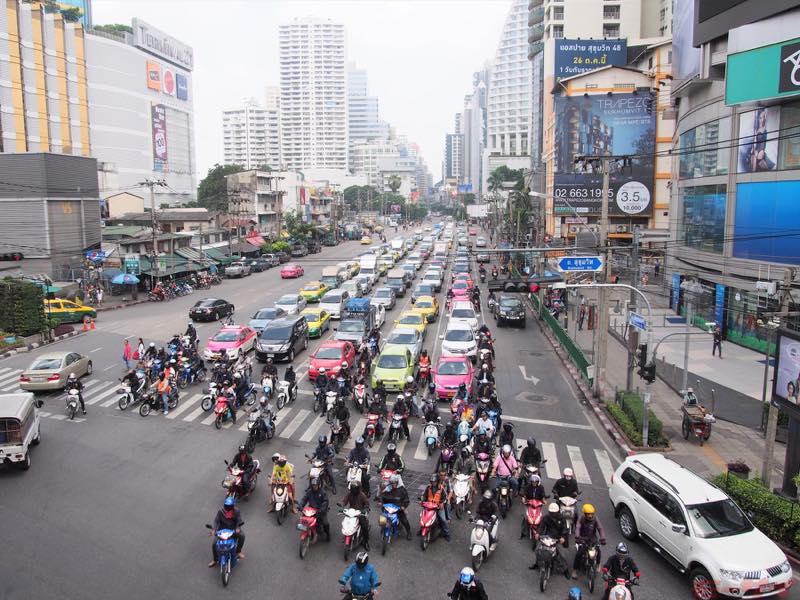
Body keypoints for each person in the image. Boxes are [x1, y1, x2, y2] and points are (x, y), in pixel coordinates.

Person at [530, 503, 569, 577]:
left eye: (554, 513)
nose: (552, 514)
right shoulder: (546, 518)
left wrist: (563, 538)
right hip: (547, 537)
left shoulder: (562, 519)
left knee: (562, 554)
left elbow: (565, 529)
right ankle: (537, 564)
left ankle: (565, 570)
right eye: (551, 512)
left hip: (558, 539)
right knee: (538, 549)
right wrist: (538, 533)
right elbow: (541, 526)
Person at [572, 503, 606, 579]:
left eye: (591, 514)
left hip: (593, 539)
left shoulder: (595, 519)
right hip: (583, 539)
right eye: (588, 514)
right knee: (579, 554)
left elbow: (600, 528)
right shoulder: (581, 519)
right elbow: (578, 527)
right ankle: (575, 570)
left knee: (598, 551)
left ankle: (598, 564)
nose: (590, 516)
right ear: (585, 514)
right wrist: (577, 536)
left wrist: (602, 538)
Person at [209, 496, 244, 567]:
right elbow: (216, 521)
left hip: (233, 530)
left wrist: (238, 528)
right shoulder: (220, 512)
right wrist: (214, 530)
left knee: (242, 536)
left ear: (233, 506)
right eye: (226, 507)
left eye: (229, 507)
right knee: (214, 543)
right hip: (222, 530)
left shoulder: (237, 511)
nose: (227, 509)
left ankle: (238, 551)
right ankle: (215, 560)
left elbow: (239, 521)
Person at [380, 474, 411, 540]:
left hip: (398, 508)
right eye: (391, 483)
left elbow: (406, 499)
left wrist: (403, 506)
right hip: (388, 507)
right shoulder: (388, 488)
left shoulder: (402, 489)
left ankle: (409, 532)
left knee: (404, 520)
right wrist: (381, 502)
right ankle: (383, 528)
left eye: (394, 483)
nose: (392, 485)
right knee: (382, 518)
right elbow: (382, 496)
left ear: (397, 482)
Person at [299, 477, 331, 541]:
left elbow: (325, 502)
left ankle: (328, 534)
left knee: (325, 523)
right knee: (303, 519)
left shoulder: (322, 492)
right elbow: (304, 499)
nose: (314, 487)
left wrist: (322, 510)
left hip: (320, 511)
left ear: (318, 485)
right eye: (313, 485)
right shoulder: (309, 492)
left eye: (315, 485)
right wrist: (300, 505)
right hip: (311, 510)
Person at [341, 483, 371, 551]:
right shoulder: (349, 494)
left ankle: (366, 542)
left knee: (364, 526)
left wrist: (365, 509)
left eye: (354, 490)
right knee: (345, 523)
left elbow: (367, 504)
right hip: (351, 512)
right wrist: (342, 506)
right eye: (352, 490)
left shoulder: (362, 495)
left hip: (360, 513)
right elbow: (344, 501)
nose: (353, 491)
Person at [421, 473, 450, 542]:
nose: (433, 483)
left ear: (437, 481)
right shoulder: (428, 487)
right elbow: (424, 496)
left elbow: (445, 498)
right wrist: (422, 501)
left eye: (434, 482)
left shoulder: (441, 488)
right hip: (428, 506)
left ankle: (446, 533)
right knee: (423, 517)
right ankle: (422, 529)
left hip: (438, 507)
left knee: (443, 519)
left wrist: (442, 503)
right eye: (432, 482)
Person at [519, 473, 547, 538]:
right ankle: (523, 532)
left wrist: (544, 501)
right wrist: (524, 499)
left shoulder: (541, 487)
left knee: (541, 517)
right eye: (533, 482)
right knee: (526, 518)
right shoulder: (527, 487)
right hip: (529, 504)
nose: (534, 483)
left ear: (538, 482)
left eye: (535, 482)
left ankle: (542, 532)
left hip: (538, 505)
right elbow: (524, 494)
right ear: (531, 482)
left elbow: (543, 496)